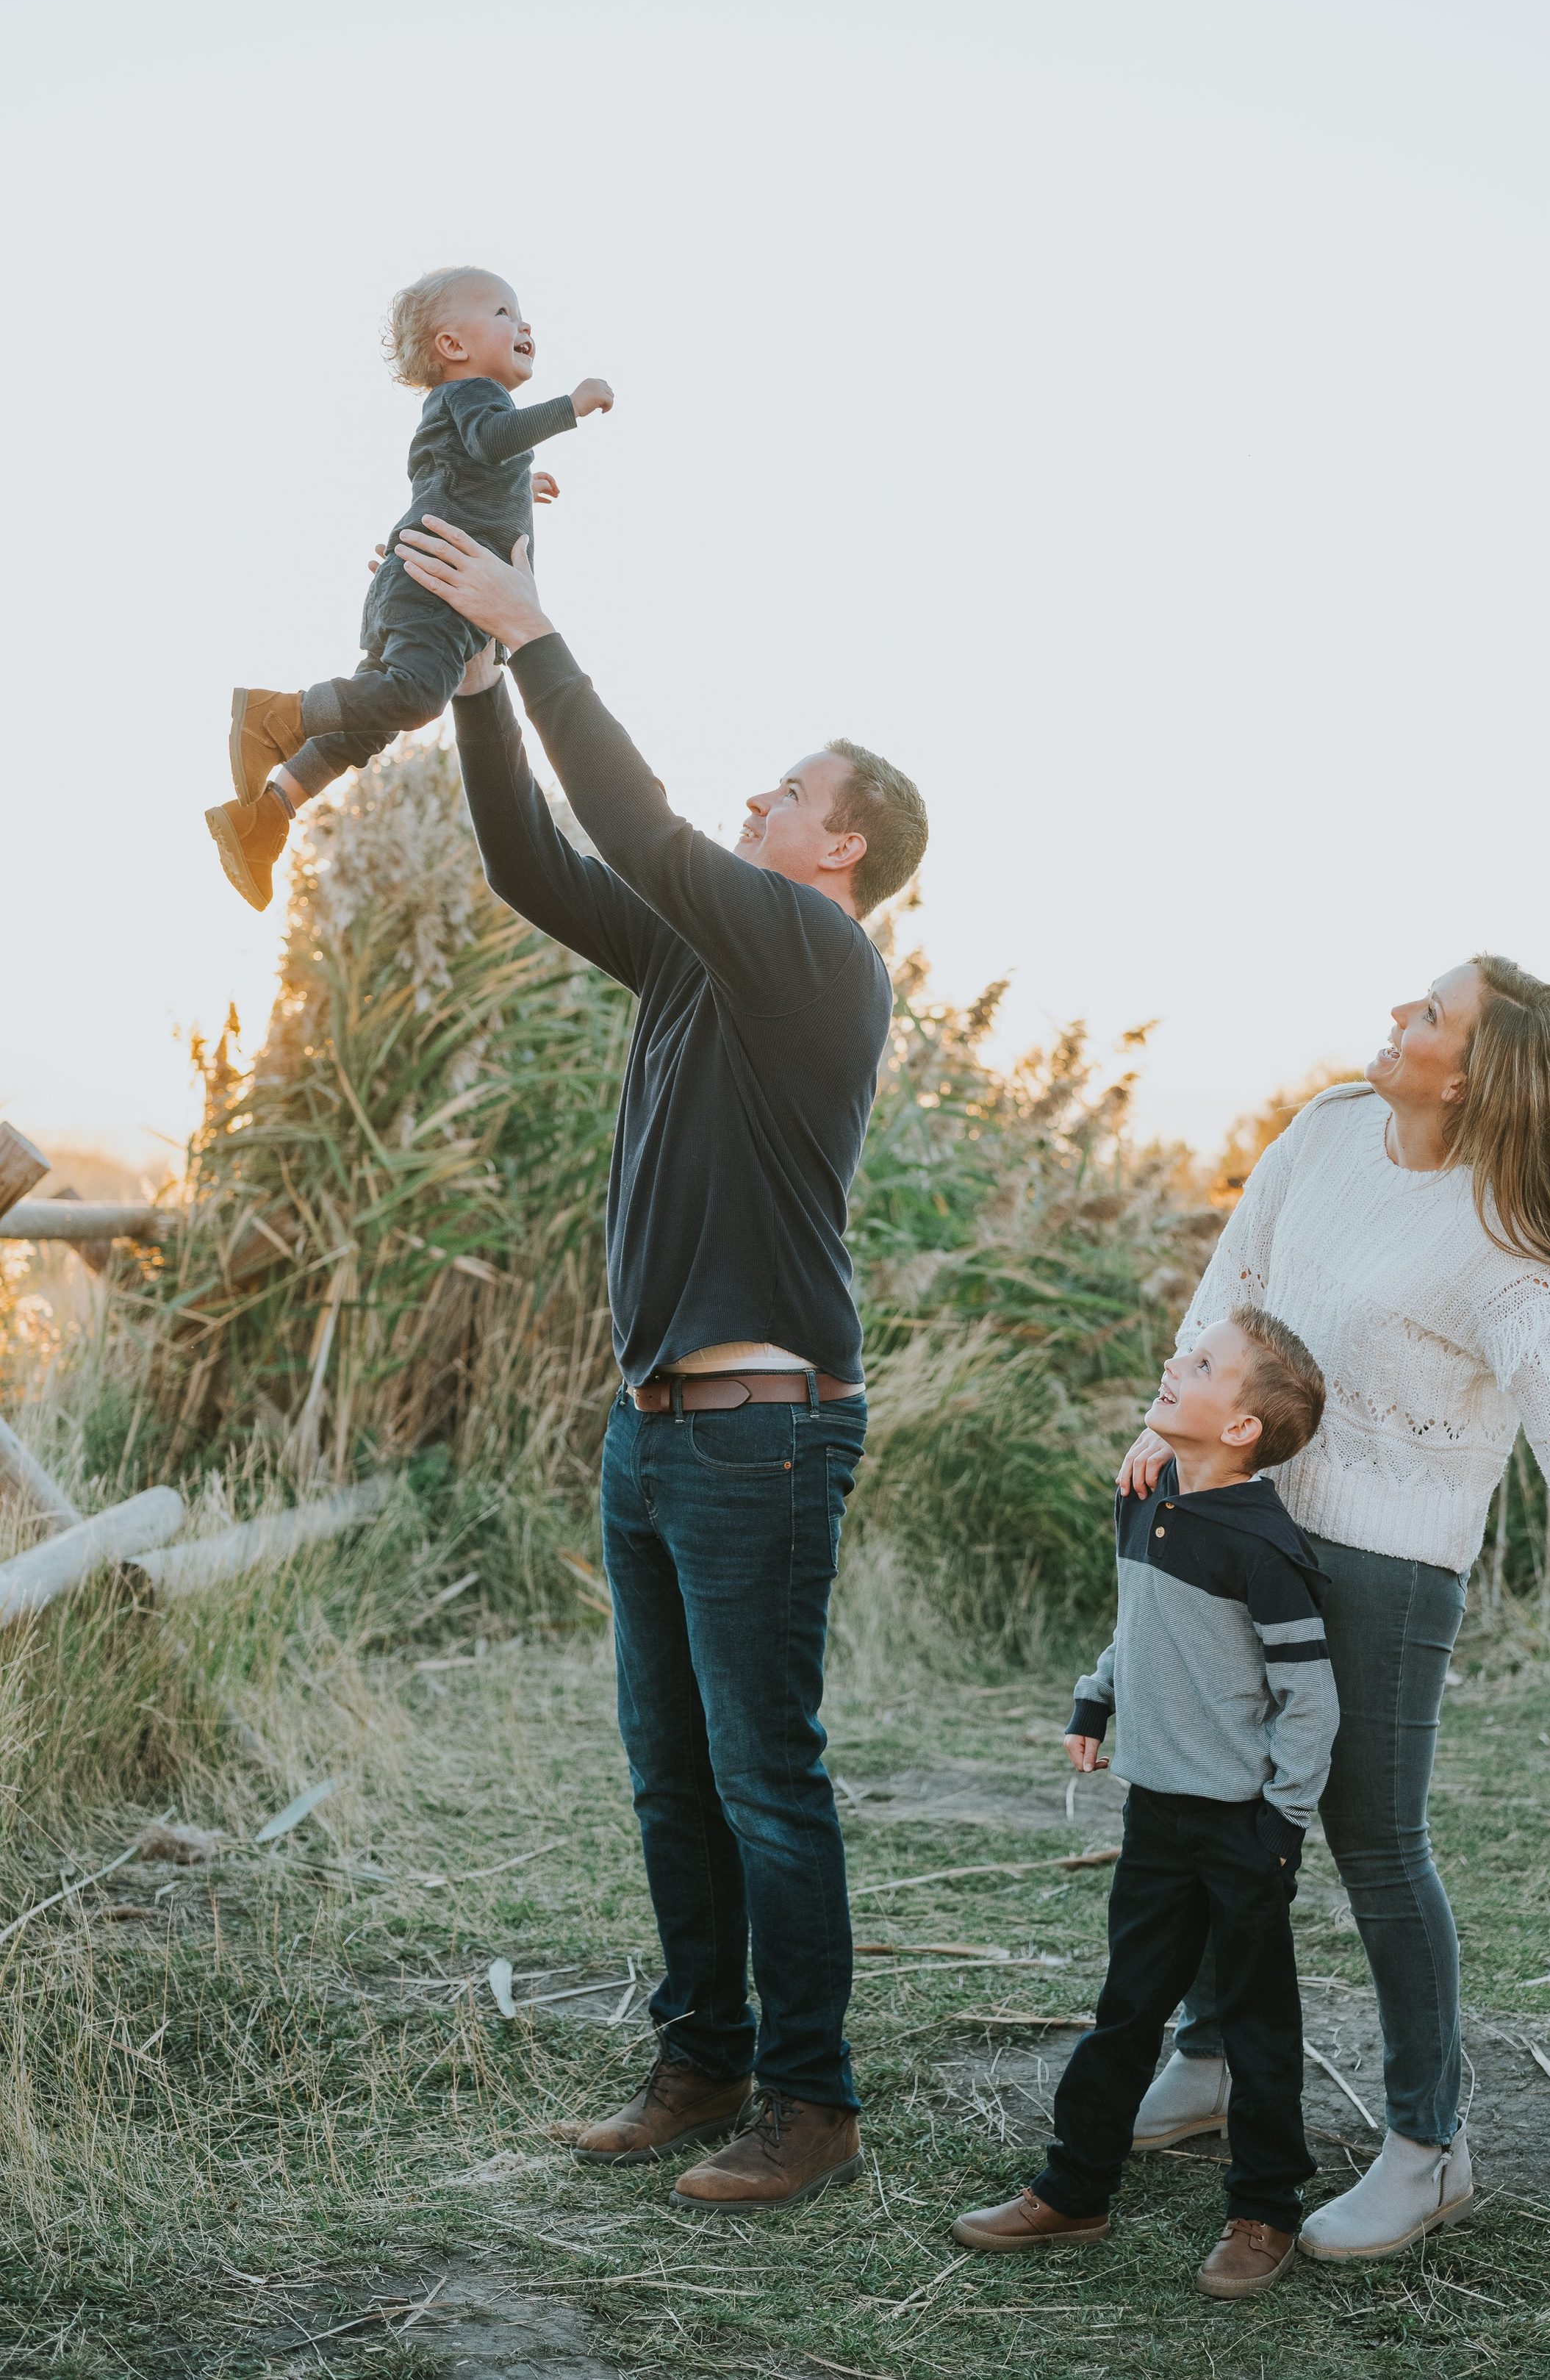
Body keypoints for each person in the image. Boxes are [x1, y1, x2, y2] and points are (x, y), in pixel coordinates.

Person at [391, 512, 927, 2213]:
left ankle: (810, 2101)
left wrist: (535, 627)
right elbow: (545, 864)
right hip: (654, 1435)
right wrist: (481, 686)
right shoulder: (705, 961)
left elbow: (626, 815)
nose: (754, 800)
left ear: (839, 846)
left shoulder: (813, 954)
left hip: (762, 1436)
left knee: (767, 1777)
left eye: (785, 789)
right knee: (669, 1773)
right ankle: (698, 2061)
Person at [1118, 958, 1550, 2259]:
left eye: (1430, 1015)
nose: (1398, 1016)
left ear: (1481, 1072)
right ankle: (1209, 2057)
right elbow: (1236, 1278)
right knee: (1219, 1790)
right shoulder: (1329, 1125)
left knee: (1373, 1839)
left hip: (1390, 1560)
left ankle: (1427, 2146)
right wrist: (1169, 1424)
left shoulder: (1505, 1255)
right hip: (1243, 1518)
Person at [952, 1304, 1335, 2299]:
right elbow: (1144, 1627)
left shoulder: (1263, 1546)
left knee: (1256, 2022)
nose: (1176, 1359)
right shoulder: (1149, 1491)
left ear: (1244, 1426)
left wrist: (1281, 1825)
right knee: (1127, 2006)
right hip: (1155, 1814)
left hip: (1243, 1823)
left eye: (1202, 1362)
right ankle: (1074, 2187)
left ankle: (1264, 2211)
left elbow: (1310, 1698)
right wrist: (1098, 1693)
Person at [205, 267, 612, 910]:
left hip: (433, 598)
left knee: (372, 719)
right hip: (430, 596)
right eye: (504, 312)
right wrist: (571, 407)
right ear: (452, 347)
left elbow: (455, 470)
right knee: (417, 697)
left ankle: (265, 817)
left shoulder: (460, 408)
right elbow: (490, 439)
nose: (524, 324)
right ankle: (272, 716)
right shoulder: (478, 396)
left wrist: (514, 487)